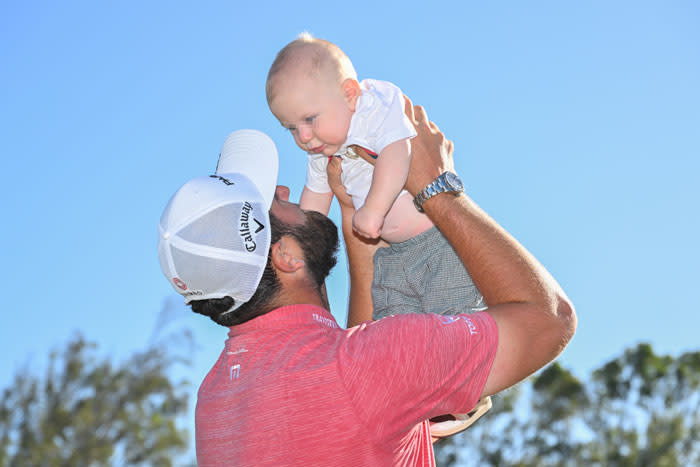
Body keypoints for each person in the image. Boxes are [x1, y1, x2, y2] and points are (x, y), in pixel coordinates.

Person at [157, 102, 576, 466]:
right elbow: (550, 319)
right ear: (286, 257)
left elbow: (350, 372)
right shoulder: (366, 369)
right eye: (275, 201)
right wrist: (439, 189)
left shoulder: (216, 403)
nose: (285, 188)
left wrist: (354, 214)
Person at [266, 33, 489, 435]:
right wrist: (302, 239)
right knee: (395, 324)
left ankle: (466, 392)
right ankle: (423, 400)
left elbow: (398, 153)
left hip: (435, 239)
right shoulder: (322, 151)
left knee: (451, 310)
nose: (303, 138)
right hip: (391, 254)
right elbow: (315, 202)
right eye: (291, 129)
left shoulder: (376, 106)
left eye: (309, 120)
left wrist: (371, 208)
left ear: (349, 94)